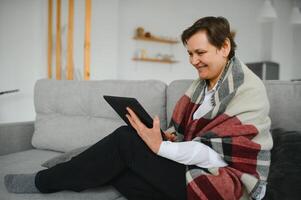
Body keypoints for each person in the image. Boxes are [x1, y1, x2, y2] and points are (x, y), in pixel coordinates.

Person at [4, 16, 273, 200]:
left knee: (124, 140)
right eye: (189, 53)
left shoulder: (247, 89)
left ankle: (44, 181)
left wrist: (161, 147)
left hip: (225, 184)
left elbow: (216, 155)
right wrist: (169, 138)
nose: (193, 60)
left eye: (200, 53)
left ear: (224, 47)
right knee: (123, 171)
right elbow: (192, 136)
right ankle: (77, 168)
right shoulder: (203, 86)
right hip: (196, 168)